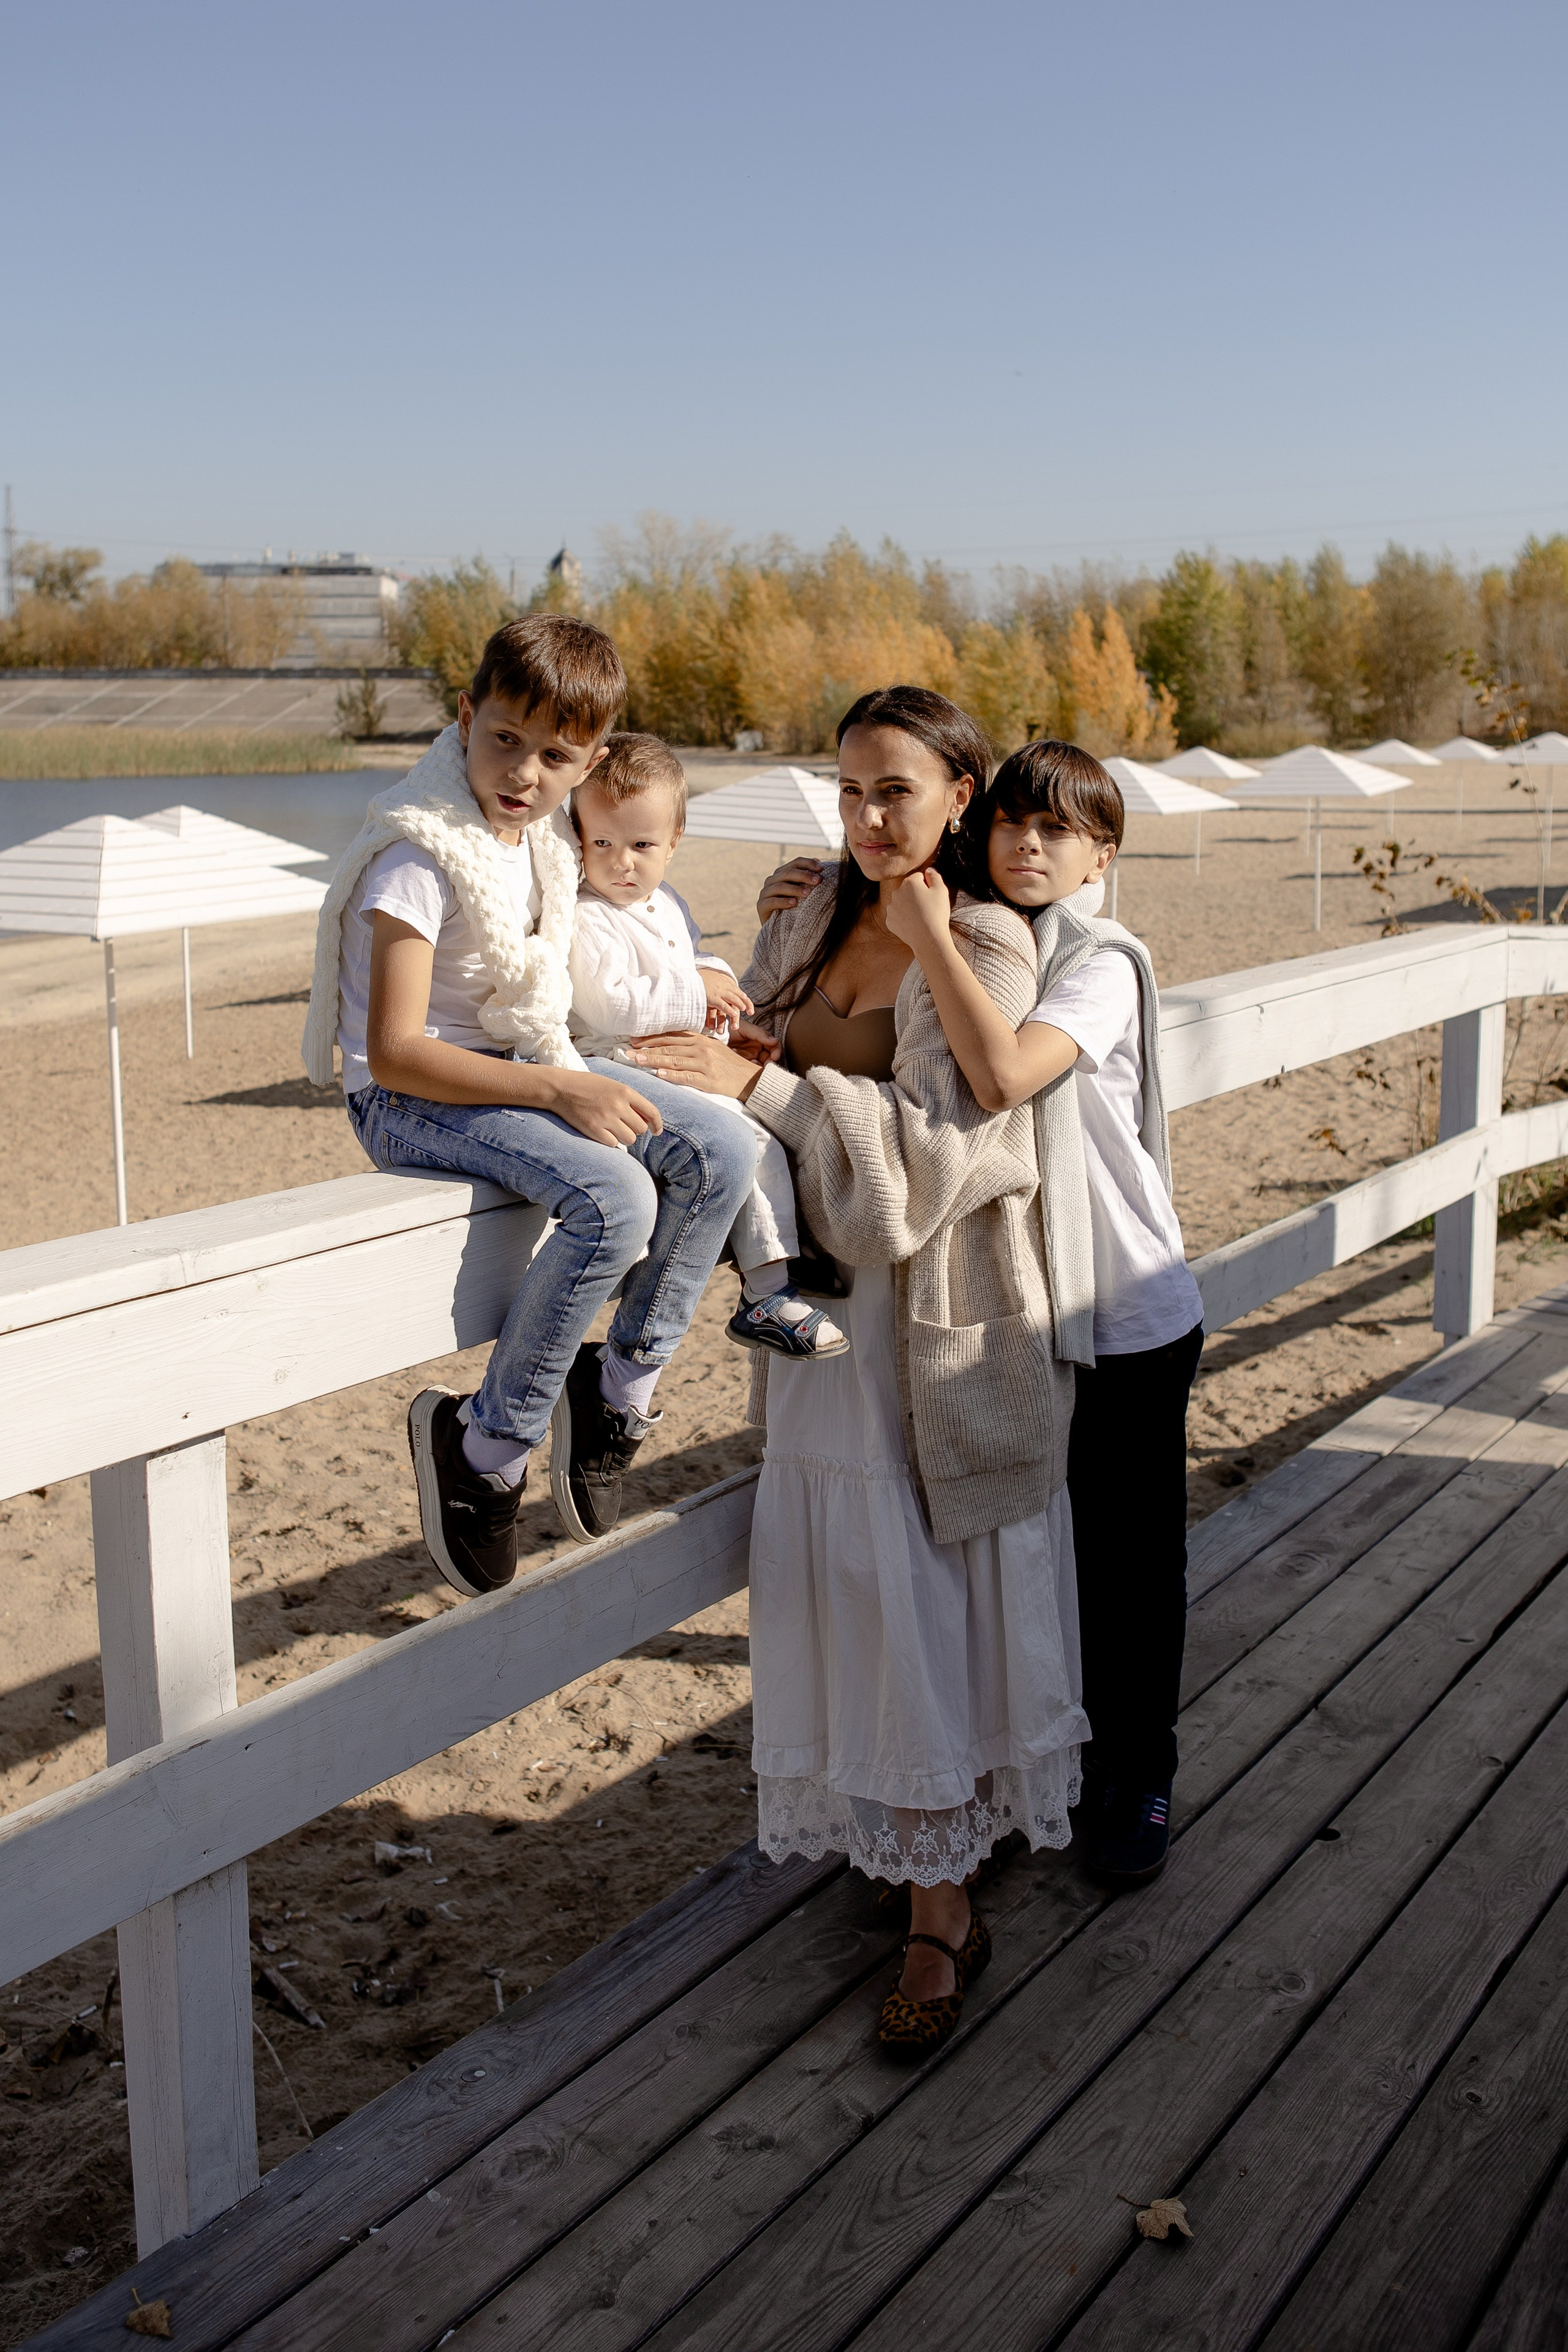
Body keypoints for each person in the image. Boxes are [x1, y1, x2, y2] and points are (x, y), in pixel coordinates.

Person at [631, 686, 1086, 2054]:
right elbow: (731, 1030)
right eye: (847, 792)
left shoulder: (989, 942)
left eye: (897, 790)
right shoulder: (807, 911)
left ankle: (940, 1913)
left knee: (914, 1584)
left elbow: (918, 1178)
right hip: (826, 1333)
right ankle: (912, 1840)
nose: (869, 817)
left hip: (925, 1326)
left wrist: (757, 1087)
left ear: (961, 797)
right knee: (855, 1585)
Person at [300, 614, 757, 1593]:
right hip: (408, 1097)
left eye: (556, 756)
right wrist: (561, 1086)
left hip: (521, 1059)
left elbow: (629, 921)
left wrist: (708, 963)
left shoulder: (541, 845)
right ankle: (484, 1448)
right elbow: (394, 1051)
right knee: (617, 1201)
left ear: (589, 762)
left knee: (723, 1145)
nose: (524, 772)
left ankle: (619, 1384)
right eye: (505, 739)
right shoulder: (419, 859)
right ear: (467, 718)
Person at [877, 739, 1204, 1885]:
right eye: (1012, 821)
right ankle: (1052, 1773)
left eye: (1057, 830)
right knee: (1050, 1549)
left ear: (1100, 854)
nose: (1026, 843)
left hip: (1129, 1308)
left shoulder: (1102, 964)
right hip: (1042, 1306)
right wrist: (826, 890)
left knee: (1131, 1560)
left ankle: (1143, 1775)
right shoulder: (996, 933)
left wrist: (921, 935)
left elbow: (1005, 1074)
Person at [567, 730, 846, 1362]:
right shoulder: (583, 914)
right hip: (620, 1059)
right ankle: (768, 1293)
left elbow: (696, 965)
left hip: (670, 1054)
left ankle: (777, 1264)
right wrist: (700, 993)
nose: (621, 862)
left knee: (764, 1132)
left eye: (641, 845)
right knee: (742, 1141)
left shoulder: (666, 902)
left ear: (674, 842)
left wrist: (725, 1023)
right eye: (600, 842)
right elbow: (607, 1003)